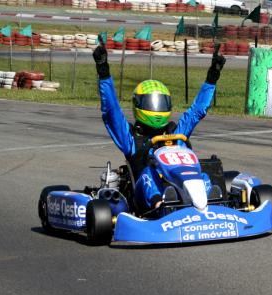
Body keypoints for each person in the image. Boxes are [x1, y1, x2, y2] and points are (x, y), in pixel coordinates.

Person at [93, 37, 225, 213]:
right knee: (149, 175)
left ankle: (209, 201)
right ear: (139, 105)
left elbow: (196, 111)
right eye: (151, 103)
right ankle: (161, 206)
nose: (156, 108)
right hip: (144, 199)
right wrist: (103, 72)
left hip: (178, 189)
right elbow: (112, 112)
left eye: (161, 103)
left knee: (202, 175)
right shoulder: (132, 139)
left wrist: (212, 77)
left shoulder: (175, 134)